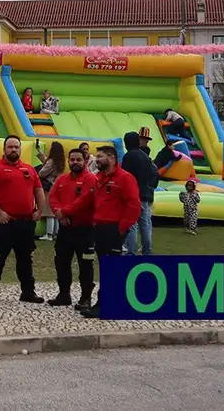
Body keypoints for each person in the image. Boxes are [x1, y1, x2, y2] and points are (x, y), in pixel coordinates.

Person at [0, 136, 47, 305]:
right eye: (10, 147)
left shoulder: (29, 169)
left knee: (25, 259)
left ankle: (28, 292)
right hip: (3, 223)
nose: (14, 150)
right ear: (4, 149)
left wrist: (39, 210)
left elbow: (38, 190)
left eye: (16, 147)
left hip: (25, 224)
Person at [80, 145, 141, 319]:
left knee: (110, 268)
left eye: (100, 156)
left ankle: (105, 305)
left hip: (114, 229)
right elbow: (89, 200)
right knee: (105, 266)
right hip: (99, 228)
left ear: (112, 158)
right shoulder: (99, 178)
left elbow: (133, 205)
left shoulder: (125, 178)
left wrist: (122, 228)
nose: (96, 159)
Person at [48, 148, 97, 308]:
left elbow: (84, 200)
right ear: (68, 161)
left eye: (78, 160)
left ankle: (86, 298)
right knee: (61, 262)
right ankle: (64, 295)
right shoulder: (61, 180)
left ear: (85, 161)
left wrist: (65, 212)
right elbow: (53, 197)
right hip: (65, 229)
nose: (75, 162)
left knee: (85, 265)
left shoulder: (91, 179)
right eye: (72, 160)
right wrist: (58, 214)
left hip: (84, 229)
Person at [121, 132, 158, 256]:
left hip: (132, 194)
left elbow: (125, 177)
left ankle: (131, 251)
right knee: (145, 224)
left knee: (131, 223)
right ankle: (147, 250)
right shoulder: (145, 156)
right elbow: (153, 173)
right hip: (145, 194)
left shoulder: (128, 156)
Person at [34, 140, 65, 240]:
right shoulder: (59, 161)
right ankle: (55, 233)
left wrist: (40, 170)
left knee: (49, 211)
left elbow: (42, 173)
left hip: (49, 187)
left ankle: (49, 234)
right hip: (56, 186)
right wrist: (40, 152)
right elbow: (47, 162)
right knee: (54, 212)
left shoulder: (52, 161)